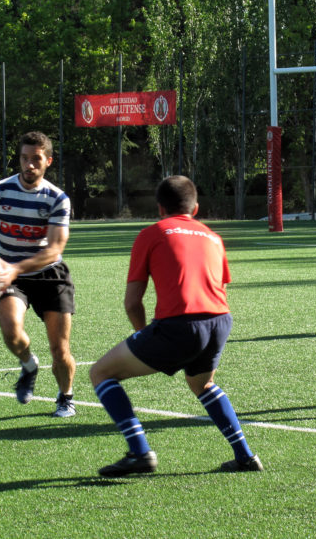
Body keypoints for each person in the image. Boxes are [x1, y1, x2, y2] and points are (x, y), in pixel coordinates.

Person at [89, 175, 262, 476]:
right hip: (220, 321)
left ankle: (140, 452)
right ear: (195, 208)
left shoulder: (152, 234)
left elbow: (132, 302)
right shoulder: (212, 237)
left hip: (180, 325)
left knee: (100, 372)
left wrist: (143, 335)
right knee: (201, 384)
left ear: (159, 209)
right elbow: (219, 289)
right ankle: (245, 456)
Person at [0, 131, 77, 418]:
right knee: (12, 333)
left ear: (48, 161)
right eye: (24, 158)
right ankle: (28, 365)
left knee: (60, 349)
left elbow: (54, 250)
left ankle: (66, 396)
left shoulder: (57, 198)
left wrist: (13, 268)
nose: (29, 165)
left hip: (51, 276)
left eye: (36, 159)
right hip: (11, 276)